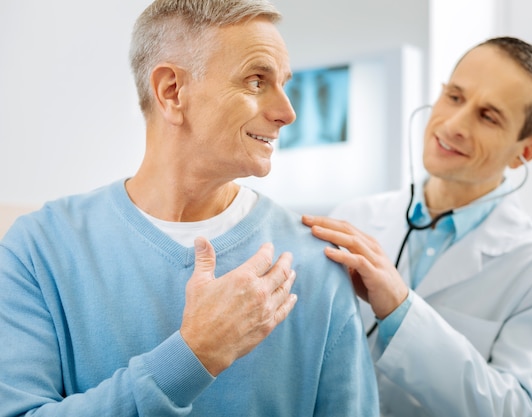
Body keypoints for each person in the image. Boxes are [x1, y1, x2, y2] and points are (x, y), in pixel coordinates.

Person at [0, 1, 378, 416]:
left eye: (283, 83)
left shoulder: (315, 261)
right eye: (256, 80)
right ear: (172, 91)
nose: (287, 113)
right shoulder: (39, 250)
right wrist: (194, 356)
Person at [302, 36, 532, 416]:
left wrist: (400, 311)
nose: (453, 125)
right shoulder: (354, 217)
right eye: (454, 97)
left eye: (489, 116)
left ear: (526, 152)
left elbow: (524, 410)